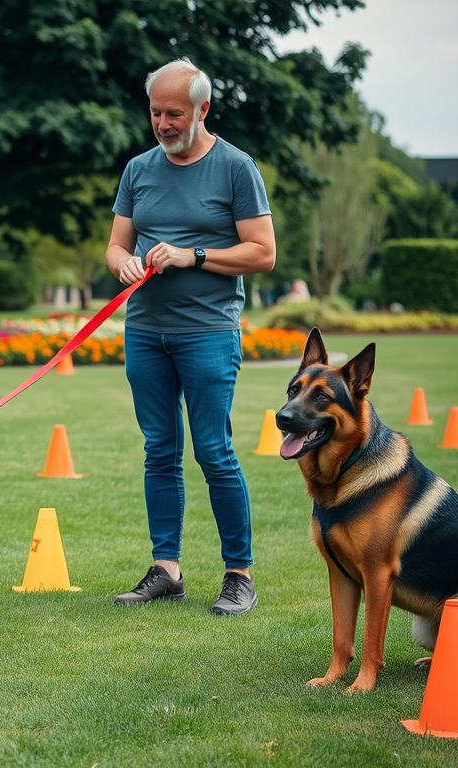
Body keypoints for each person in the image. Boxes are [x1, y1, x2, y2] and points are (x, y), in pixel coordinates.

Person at [104, 57, 276, 616]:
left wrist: (193, 254)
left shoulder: (235, 167)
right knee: (160, 450)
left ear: (203, 109)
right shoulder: (139, 169)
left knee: (215, 451)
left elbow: (263, 252)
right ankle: (167, 570)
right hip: (146, 332)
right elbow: (114, 246)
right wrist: (124, 264)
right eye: (156, 112)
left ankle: (238, 573)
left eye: (174, 113)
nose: (163, 123)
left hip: (208, 331)